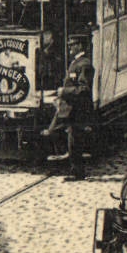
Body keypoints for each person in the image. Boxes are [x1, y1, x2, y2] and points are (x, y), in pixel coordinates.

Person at [46, 39, 95, 171]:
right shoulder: (76, 62)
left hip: (78, 108)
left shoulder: (84, 64)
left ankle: (77, 171)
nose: (69, 48)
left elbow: (84, 89)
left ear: (79, 45)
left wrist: (64, 91)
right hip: (70, 107)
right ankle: (69, 162)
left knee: (75, 140)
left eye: (72, 45)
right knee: (61, 134)